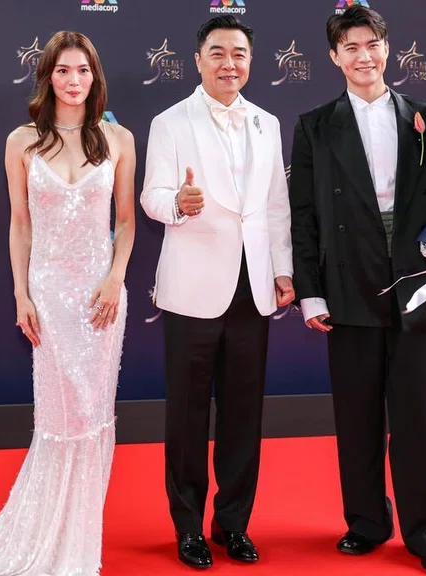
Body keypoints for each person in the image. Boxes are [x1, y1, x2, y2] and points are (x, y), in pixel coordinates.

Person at [0, 30, 136, 575]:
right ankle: (42, 534)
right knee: (59, 415)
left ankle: (79, 541)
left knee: (94, 413)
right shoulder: (20, 141)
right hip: (49, 292)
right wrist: (21, 291)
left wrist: (116, 277)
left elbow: (124, 222)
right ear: (47, 76)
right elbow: (20, 223)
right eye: (64, 71)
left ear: (96, 78)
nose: (74, 81)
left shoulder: (118, 140)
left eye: (84, 71)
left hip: (100, 297)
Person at [288, 6, 426, 575]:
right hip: (348, 284)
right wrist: (311, 292)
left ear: (388, 49)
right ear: (334, 57)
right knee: (357, 417)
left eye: (373, 44)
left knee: (420, 421)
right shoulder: (315, 126)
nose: (365, 55)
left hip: (418, 283)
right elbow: (304, 215)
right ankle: (365, 522)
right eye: (351, 46)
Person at [140, 15, 294, 570]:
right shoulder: (170, 121)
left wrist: (282, 270)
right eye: (218, 54)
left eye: (239, 55)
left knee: (242, 415)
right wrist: (177, 204)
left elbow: (276, 204)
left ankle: (233, 524)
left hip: (252, 289)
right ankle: (187, 528)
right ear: (198, 60)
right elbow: (151, 196)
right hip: (191, 289)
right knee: (185, 416)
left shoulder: (267, 123)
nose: (230, 64)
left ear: (251, 62)